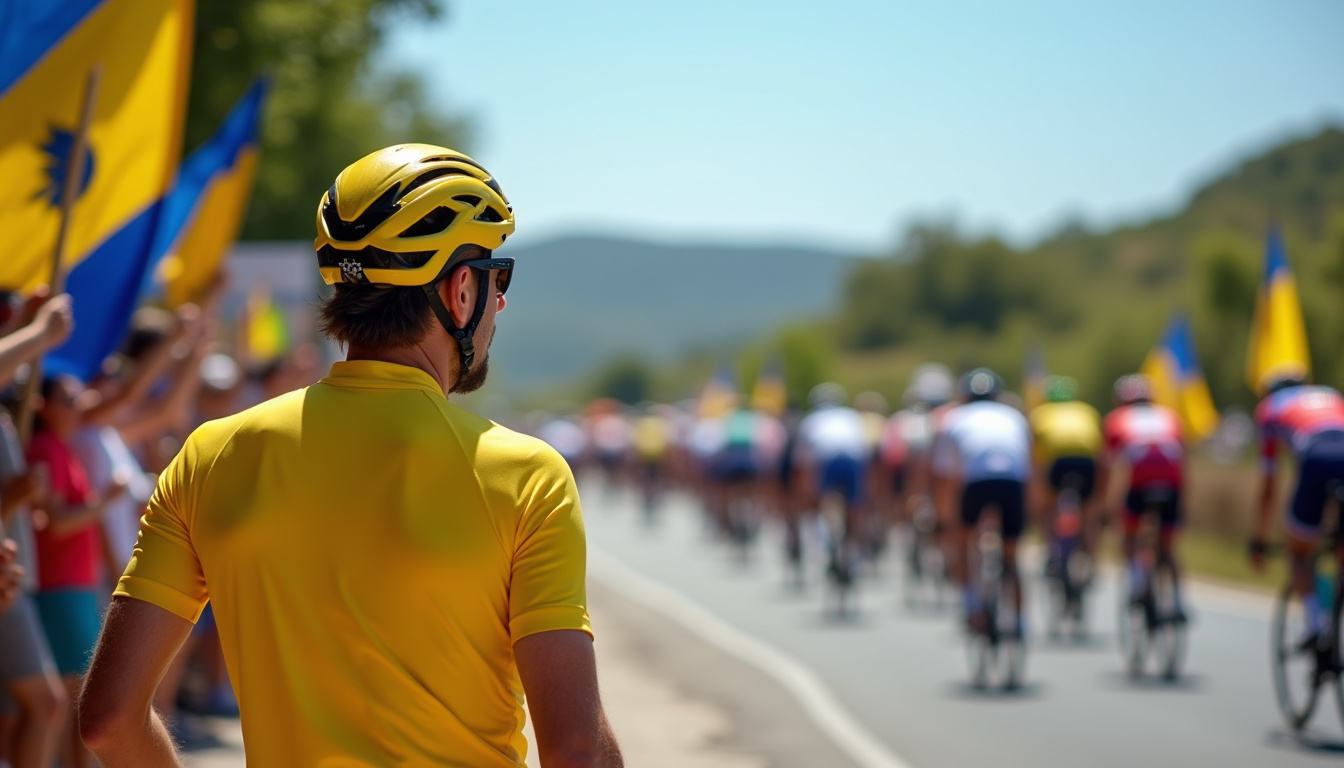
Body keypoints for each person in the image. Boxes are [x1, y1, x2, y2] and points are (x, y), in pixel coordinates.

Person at [78, 144, 622, 768]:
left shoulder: (212, 455)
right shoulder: (527, 475)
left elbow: (108, 721)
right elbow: (576, 751)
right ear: (461, 290)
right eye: (498, 278)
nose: (500, 302)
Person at [932, 368, 1031, 635]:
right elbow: (1028, 466)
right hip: (1013, 483)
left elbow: (944, 479)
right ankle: (1021, 624)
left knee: (963, 542)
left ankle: (971, 604)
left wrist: (943, 520)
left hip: (976, 483)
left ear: (964, 397)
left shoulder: (953, 418)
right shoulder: (1015, 416)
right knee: (1012, 558)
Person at [1249, 368, 1344, 644]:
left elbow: (1269, 486)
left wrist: (1260, 539)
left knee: (1299, 552)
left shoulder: (1269, 409)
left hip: (1315, 458)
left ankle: (1316, 625)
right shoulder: (1331, 395)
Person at [1101, 373, 1187, 622]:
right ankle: (1179, 601)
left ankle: (1138, 583)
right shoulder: (1170, 416)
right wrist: (1184, 503)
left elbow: (1108, 469)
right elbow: (1183, 464)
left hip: (1140, 483)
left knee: (1128, 534)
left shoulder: (1116, 419)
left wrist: (1106, 507)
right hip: (1171, 483)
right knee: (1168, 547)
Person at [796, 383, 870, 586]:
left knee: (822, 503)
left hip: (826, 459)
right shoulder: (852, 416)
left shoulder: (810, 420)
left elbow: (803, 463)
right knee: (856, 508)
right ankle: (855, 554)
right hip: (854, 459)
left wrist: (810, 494)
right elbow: (864, 449)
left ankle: (826, 543)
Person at [1028, 375, 1103, 557]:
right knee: (1088, 512)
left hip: (1058, 463)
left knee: (1048, 507)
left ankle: (1050, 548)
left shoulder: (1040, 413)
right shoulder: (1088, 411)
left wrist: (1036, 496)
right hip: (1087, 462)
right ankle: (1091, 556)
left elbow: (1035, 458)